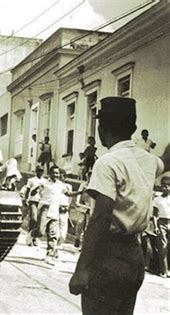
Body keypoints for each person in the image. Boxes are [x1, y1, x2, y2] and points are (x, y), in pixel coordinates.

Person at [69, 97, 164, 314]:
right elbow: (163, 161)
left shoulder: (108, 162)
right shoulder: (150, 161)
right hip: (134, 257)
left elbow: (101, 217)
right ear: (132, 127)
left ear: (103, 128)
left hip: (108, 256)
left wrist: (82, 269)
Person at [32, 165, 70, 265]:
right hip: (45, 209)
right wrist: (35, 190)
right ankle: (32, 234)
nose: (55, 175)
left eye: (57, 173)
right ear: (50, 173)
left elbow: (68, 194)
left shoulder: (61, 185)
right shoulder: (44, 183)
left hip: (55, 212)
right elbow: (33, 193)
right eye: (53, 173)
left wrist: (80, 192)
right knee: (40, 232)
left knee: (53, 235)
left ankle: (49, 256)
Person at [25, 166, 47, 247]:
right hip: (33, 200)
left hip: (41, 201)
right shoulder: (31, 180)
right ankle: (30, 233)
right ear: (36, 171)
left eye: (42, 171)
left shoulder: (45, 181)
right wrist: (25, 199)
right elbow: (28, 191)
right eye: (39, 171)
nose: (40, 172)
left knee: (39, 220)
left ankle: (34, 237)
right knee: (33, 218)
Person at [153, 176, 170, 278]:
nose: (165, 188)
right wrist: (155, 226)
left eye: (167, 186)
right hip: (161, 223)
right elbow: (155, 215)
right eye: (164, 186)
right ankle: (164, 271)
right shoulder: (157, 199)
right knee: (162, 248)